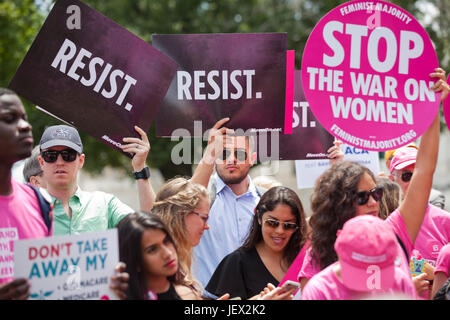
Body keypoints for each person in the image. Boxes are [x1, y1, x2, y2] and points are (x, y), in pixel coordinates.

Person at [298, 67, 448, 293]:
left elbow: (424, 170)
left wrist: (431, 106)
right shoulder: (319, 266)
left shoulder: (393, 234)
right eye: (362, 197)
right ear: (339, 203)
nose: (374, 202)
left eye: (376, 193)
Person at [37, 124, 156, 235]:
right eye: (51, 156)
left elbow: (150, 232)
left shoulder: (105, 204)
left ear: (81, 161)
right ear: (41, 162)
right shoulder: (30, 210)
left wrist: (140, 168)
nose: (60, 162)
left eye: (68, 155)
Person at [205, 186, 307, 300]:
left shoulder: (307, 260)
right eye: (272, 223)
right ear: (259, 217)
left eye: (288, 225)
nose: (280, 231)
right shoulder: (236, 263)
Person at [301, 215, 417, 300]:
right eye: (361, 273)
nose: (368, 286)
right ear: (339, 254)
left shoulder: (400, 281)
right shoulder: (319, 291)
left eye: (376, 273)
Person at [117, 211, 202, 300]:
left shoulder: (188, 295)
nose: (168, 254)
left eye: (166, 241)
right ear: (135, 260)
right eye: (152, 249)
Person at [151, 177, 210, 291]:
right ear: (181, 214)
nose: (207, 226)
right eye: (204, 218)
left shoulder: (178, 260)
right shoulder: (163, 264)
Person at [384, 143, 445, 209]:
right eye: (407, 176)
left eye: (419, 175)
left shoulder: (434, 199)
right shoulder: (383, 205)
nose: (415, 181)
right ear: (392, 180)